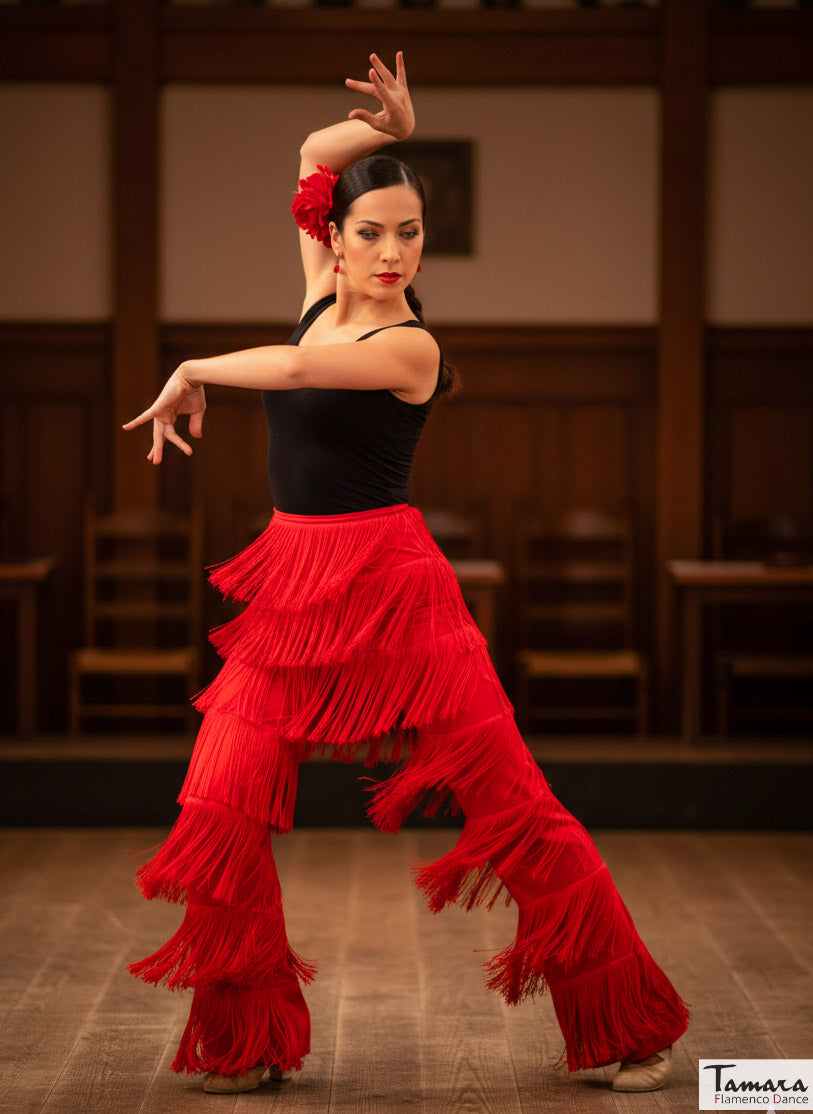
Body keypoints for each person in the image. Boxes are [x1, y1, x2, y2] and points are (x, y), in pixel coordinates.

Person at [124, 52, 688, 1096]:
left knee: (515, 807)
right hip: (292, 590)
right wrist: (388, 131)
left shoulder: (410, 346)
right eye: (372, 231)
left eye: (411, 233)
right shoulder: (316, 296)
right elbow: (311, 154)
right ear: (331, 237)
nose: (392, 252)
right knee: (218, 803)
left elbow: (298, 372)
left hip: (394, 590)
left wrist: (191, 367)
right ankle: (245, 1039)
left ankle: (631, 1027)